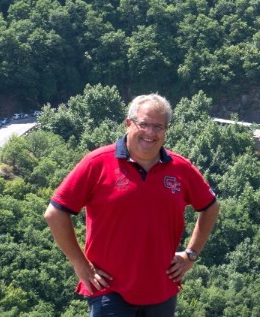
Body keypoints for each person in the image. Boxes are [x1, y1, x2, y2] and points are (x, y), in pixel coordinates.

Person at [45, 93, 220, 316]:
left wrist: (190, 254)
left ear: (166, 130)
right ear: (128, 124)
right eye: (143, 124)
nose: (150, 133)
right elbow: (55, 213)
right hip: (109, 290)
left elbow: (211, 207)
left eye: (158, 126)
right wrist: (81, 265)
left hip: (162, 288)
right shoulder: (97, 163)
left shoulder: (181, 169)